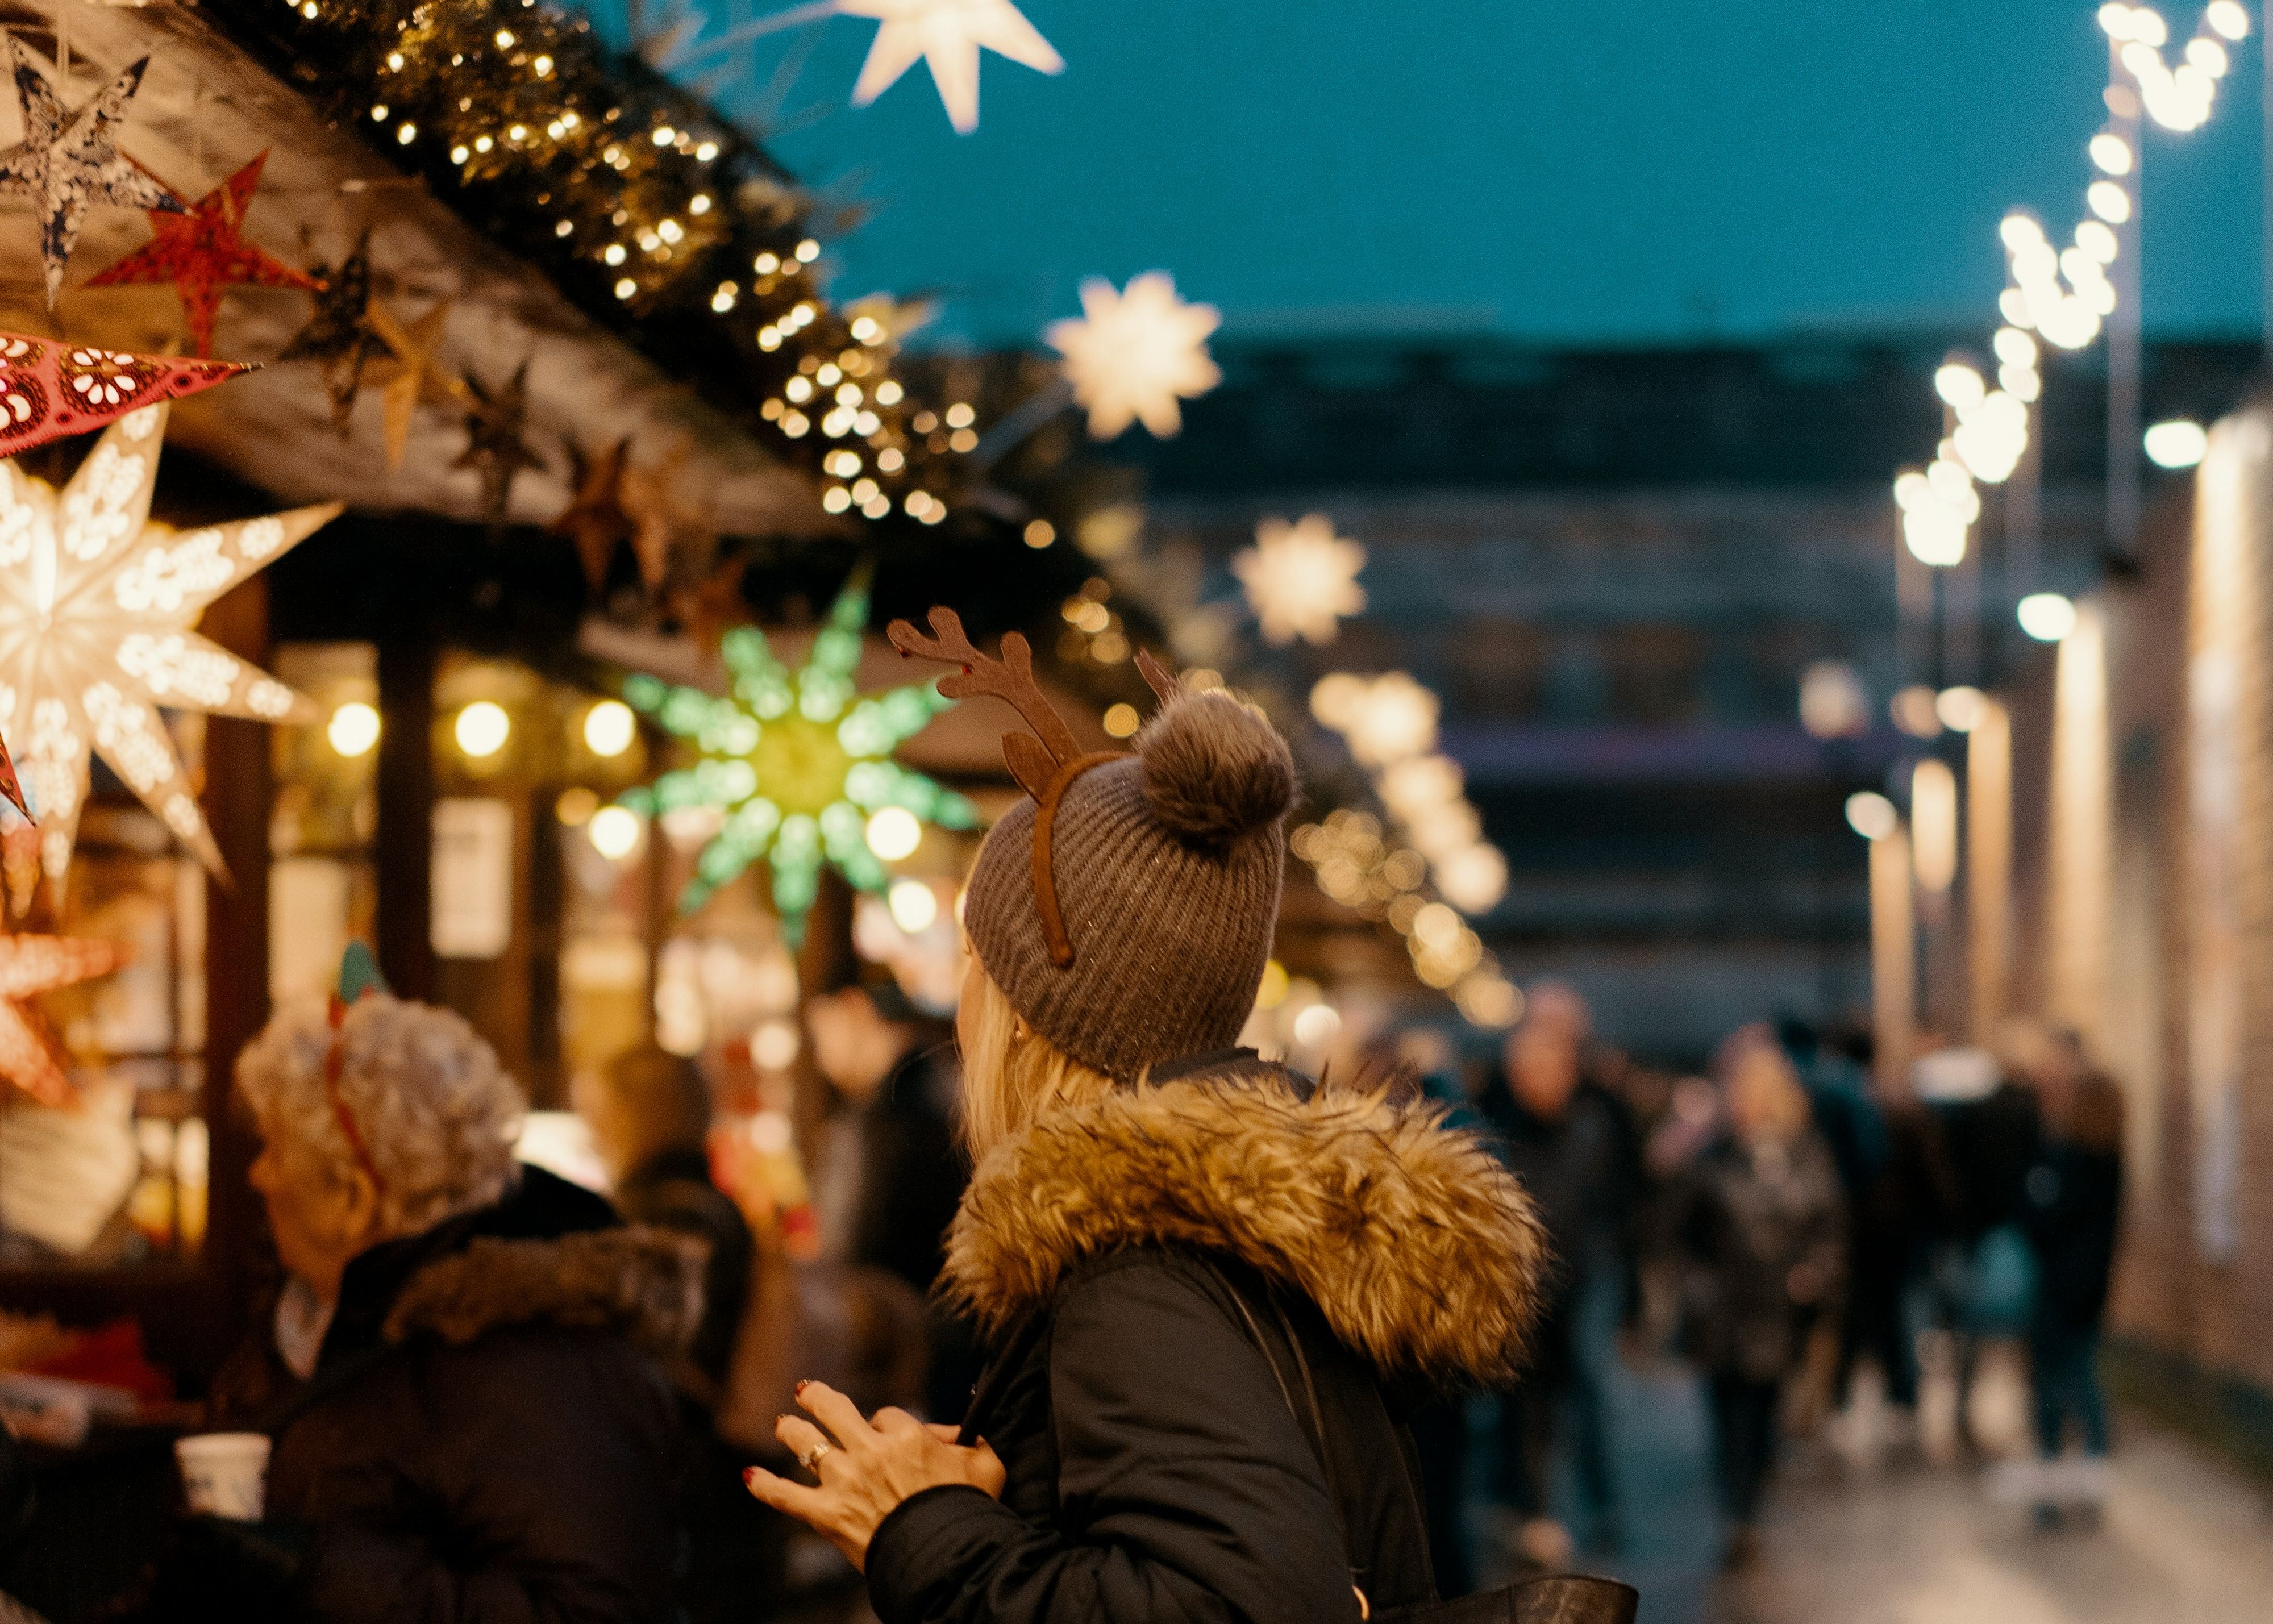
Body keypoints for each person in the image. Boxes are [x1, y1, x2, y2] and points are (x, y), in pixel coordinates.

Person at [744, 649, 1555, 1622]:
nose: (959, 1007)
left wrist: (922, 1527)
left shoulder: (1138, 1273)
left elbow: (1240, 1601)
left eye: (975, 963)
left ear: (1032, 1014)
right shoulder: (1238, 1238)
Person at [186, 984, 699, 1622]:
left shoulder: (532, 1362)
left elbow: (595, 1613)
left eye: (274, 1146)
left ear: (353, 1197)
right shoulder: (319, 1320)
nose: (258, 1174)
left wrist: (312, 1571)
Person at [577, 1044, 781, 1624]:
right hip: (716, 1504)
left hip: (689, 1506)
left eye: (600, 1110)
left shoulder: (667, 1219)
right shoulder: (711, 1207)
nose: (593, 1128)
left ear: (634, 1115)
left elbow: (657, 1373)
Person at [1672, 1027, 1845, 1569]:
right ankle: (1736, 1513)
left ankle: (1750, 1507)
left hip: (1778, 1312)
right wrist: (1695, 1286)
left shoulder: (1806, 1154)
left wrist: (1815, 1273)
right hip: (1725, 1310)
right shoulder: (1714, 1157)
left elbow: (1830, 1226)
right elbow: (1678, 1228)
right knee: (1728, 1418)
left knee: (1764, 1416)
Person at [1476, 986, 1636, 1563]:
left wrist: (1629, 1283)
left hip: (1585, 1278)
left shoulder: (1599, 1117)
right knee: (1525, 1408)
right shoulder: (1496, 1122)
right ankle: (1532, 1510)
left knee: (1590, 1398)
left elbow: (1620, 1199)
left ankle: (1602, 1509)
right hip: (1524, 1287)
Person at [2016, 1031, 2124, 1525]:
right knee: (2081, 1381)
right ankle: (2087, 1480)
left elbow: (2042, 1219)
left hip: (2060, 1289)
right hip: (2086, 1288)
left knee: (2057, 1387)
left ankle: (2054, 1485)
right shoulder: (2108, 1161)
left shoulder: (2070, 1160)